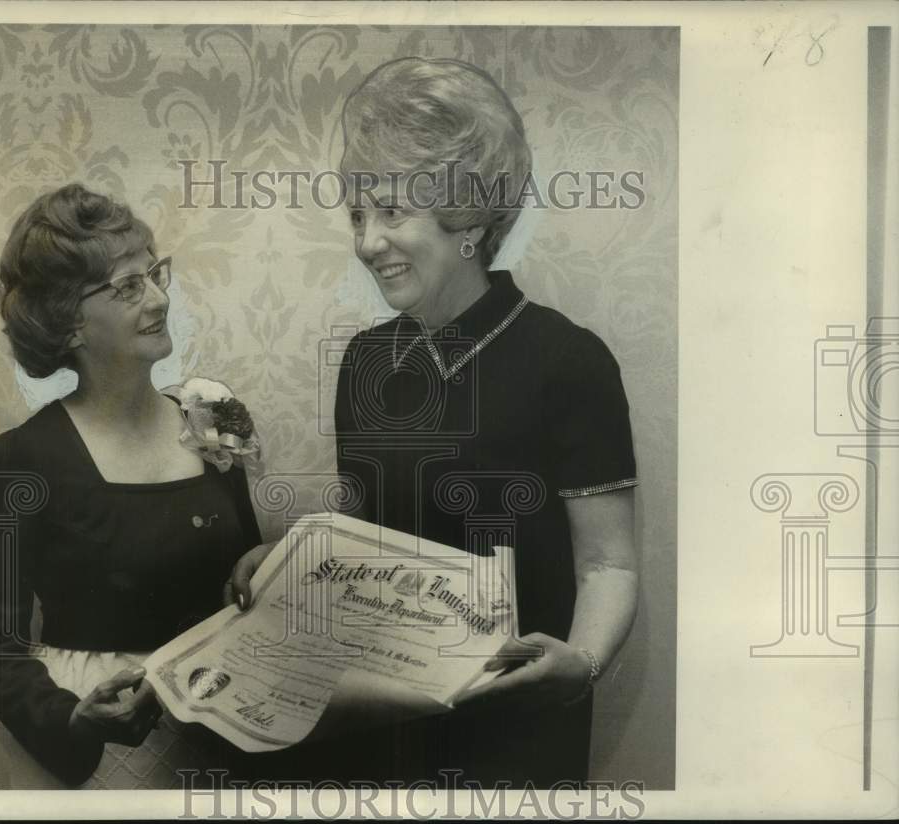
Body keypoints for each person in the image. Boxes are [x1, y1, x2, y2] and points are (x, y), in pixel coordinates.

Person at [232, 56, 639, 787]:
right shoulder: (364, 360)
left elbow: (608, 564)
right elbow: (365, 538)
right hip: (378, 727)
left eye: (392, 212)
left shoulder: (567, 360)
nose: (365, 242)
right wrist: (292, 568)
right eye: (359, 214)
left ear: (468, 220)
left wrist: (578, 667)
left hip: (514, 734)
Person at [0, 183, 263, 788]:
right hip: (107, 741)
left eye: (154, 274)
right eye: (127, 287)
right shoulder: (27, 458)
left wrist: (262, 566)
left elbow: (243, 584)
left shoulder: (211, 416)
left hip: (217, 717)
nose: (157, 299)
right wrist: (71, 718)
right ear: (68, 324)